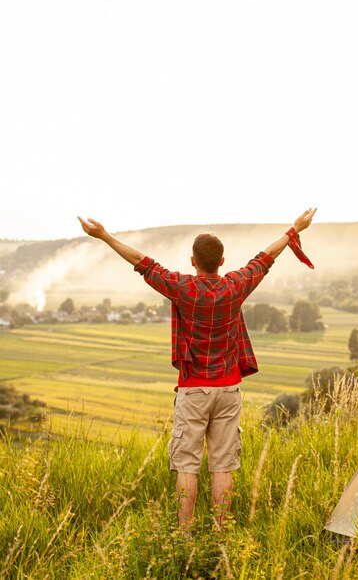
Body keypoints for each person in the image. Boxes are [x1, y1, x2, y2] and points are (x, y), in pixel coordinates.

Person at [77, 209, 316, 527]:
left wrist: (105, 235)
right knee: (222, 466)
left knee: (187, 466)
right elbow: (264, 259)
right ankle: (220, 533)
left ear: (193, 262)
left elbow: (142, 263)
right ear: (222, 261)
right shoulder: (235, 286)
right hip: (228, 390)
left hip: (192, 390)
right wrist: (293, 230)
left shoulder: (182, 288)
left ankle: (184, 536)